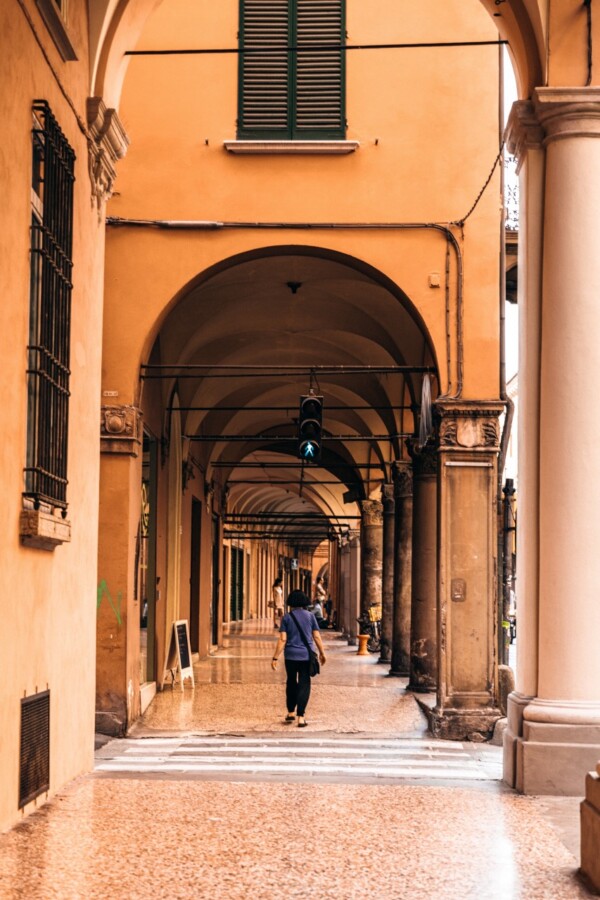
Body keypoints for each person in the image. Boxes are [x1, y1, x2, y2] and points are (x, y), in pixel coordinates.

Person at [271, 589, 326, 727]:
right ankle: (301, 716)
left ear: (291, 602)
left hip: (290, 656)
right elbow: (317, 636)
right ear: (304, 602)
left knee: (291, 682)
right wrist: (322, 653)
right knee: (304, 683)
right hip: (306, 656)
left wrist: (275, 657)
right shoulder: (310, 616)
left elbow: (283, 640)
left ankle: (290, 712)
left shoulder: (287, 618)